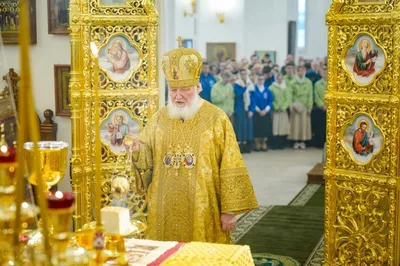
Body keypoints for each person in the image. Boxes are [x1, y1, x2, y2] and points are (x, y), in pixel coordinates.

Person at [129, 38, 258, 244]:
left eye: (185, 89)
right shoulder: (159, 118)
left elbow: (231, 164)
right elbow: (146, 158)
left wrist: (229, 211)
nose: (178, 96)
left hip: (203, 207)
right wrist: (137, 149)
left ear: (198, 87)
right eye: (173, 90)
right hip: (163, 206)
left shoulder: (216, 118)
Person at [288, 66, 313, 149]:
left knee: (304, 124)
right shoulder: (292, 82)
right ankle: (295, 141)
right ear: (296, 72)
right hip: (295, 105)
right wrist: (290, 105)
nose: (300, 73)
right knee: (295, 124)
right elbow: (289, 95)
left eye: (302, 71)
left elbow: (310, 95)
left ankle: (302, 141)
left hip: (305, 105)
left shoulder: (308, 82)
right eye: (299, 71)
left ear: (304, 72)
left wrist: (309, 107)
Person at [250, 75, 274, 151]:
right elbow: (252, 101)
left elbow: (270, 101)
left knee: (265, 129)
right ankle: (257, 143)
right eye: (259, 79)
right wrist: (258, 110)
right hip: (257, 113)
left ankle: (264, 143)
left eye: (262, 79)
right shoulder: (253, 89)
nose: (260, 81)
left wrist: (266, 110)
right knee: (257, 128)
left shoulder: (267, 90)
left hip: (265, 113)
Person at [234, 69, 255, 153]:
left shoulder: (251, 85)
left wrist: (251, 110)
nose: (244, 76)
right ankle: (240, 146)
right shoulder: (237, 84)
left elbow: (253, 99)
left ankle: (247, 145)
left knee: (247, 127)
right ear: (239, 75)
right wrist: (245, 87)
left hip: (247, 108)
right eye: (242, 74)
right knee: (240, 127)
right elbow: (238, 94)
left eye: (245, 74)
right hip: (240, 108)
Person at [269, 73, 290, 149]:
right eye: (278, 78)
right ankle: (275, 144)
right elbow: (271, 99)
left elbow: (288, 99)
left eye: (281, 78)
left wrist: (283, 107)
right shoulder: (272, 87)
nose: (280, 80)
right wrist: (276, 107)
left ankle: (282, 143)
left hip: (283, 110)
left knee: (282, 127)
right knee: (275, 127)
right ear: (276, 79)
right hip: (276, 110)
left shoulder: (285, 87)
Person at [313, 66, 327, 148]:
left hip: (330, 108)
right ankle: (319, 143)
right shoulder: (317, 84)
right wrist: (322, 105)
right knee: (320, 126)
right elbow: (316, 96)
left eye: (326, 73)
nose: (325, 75)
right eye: (323, 73)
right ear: (321, 74)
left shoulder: (332, 83)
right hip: (320, 108)